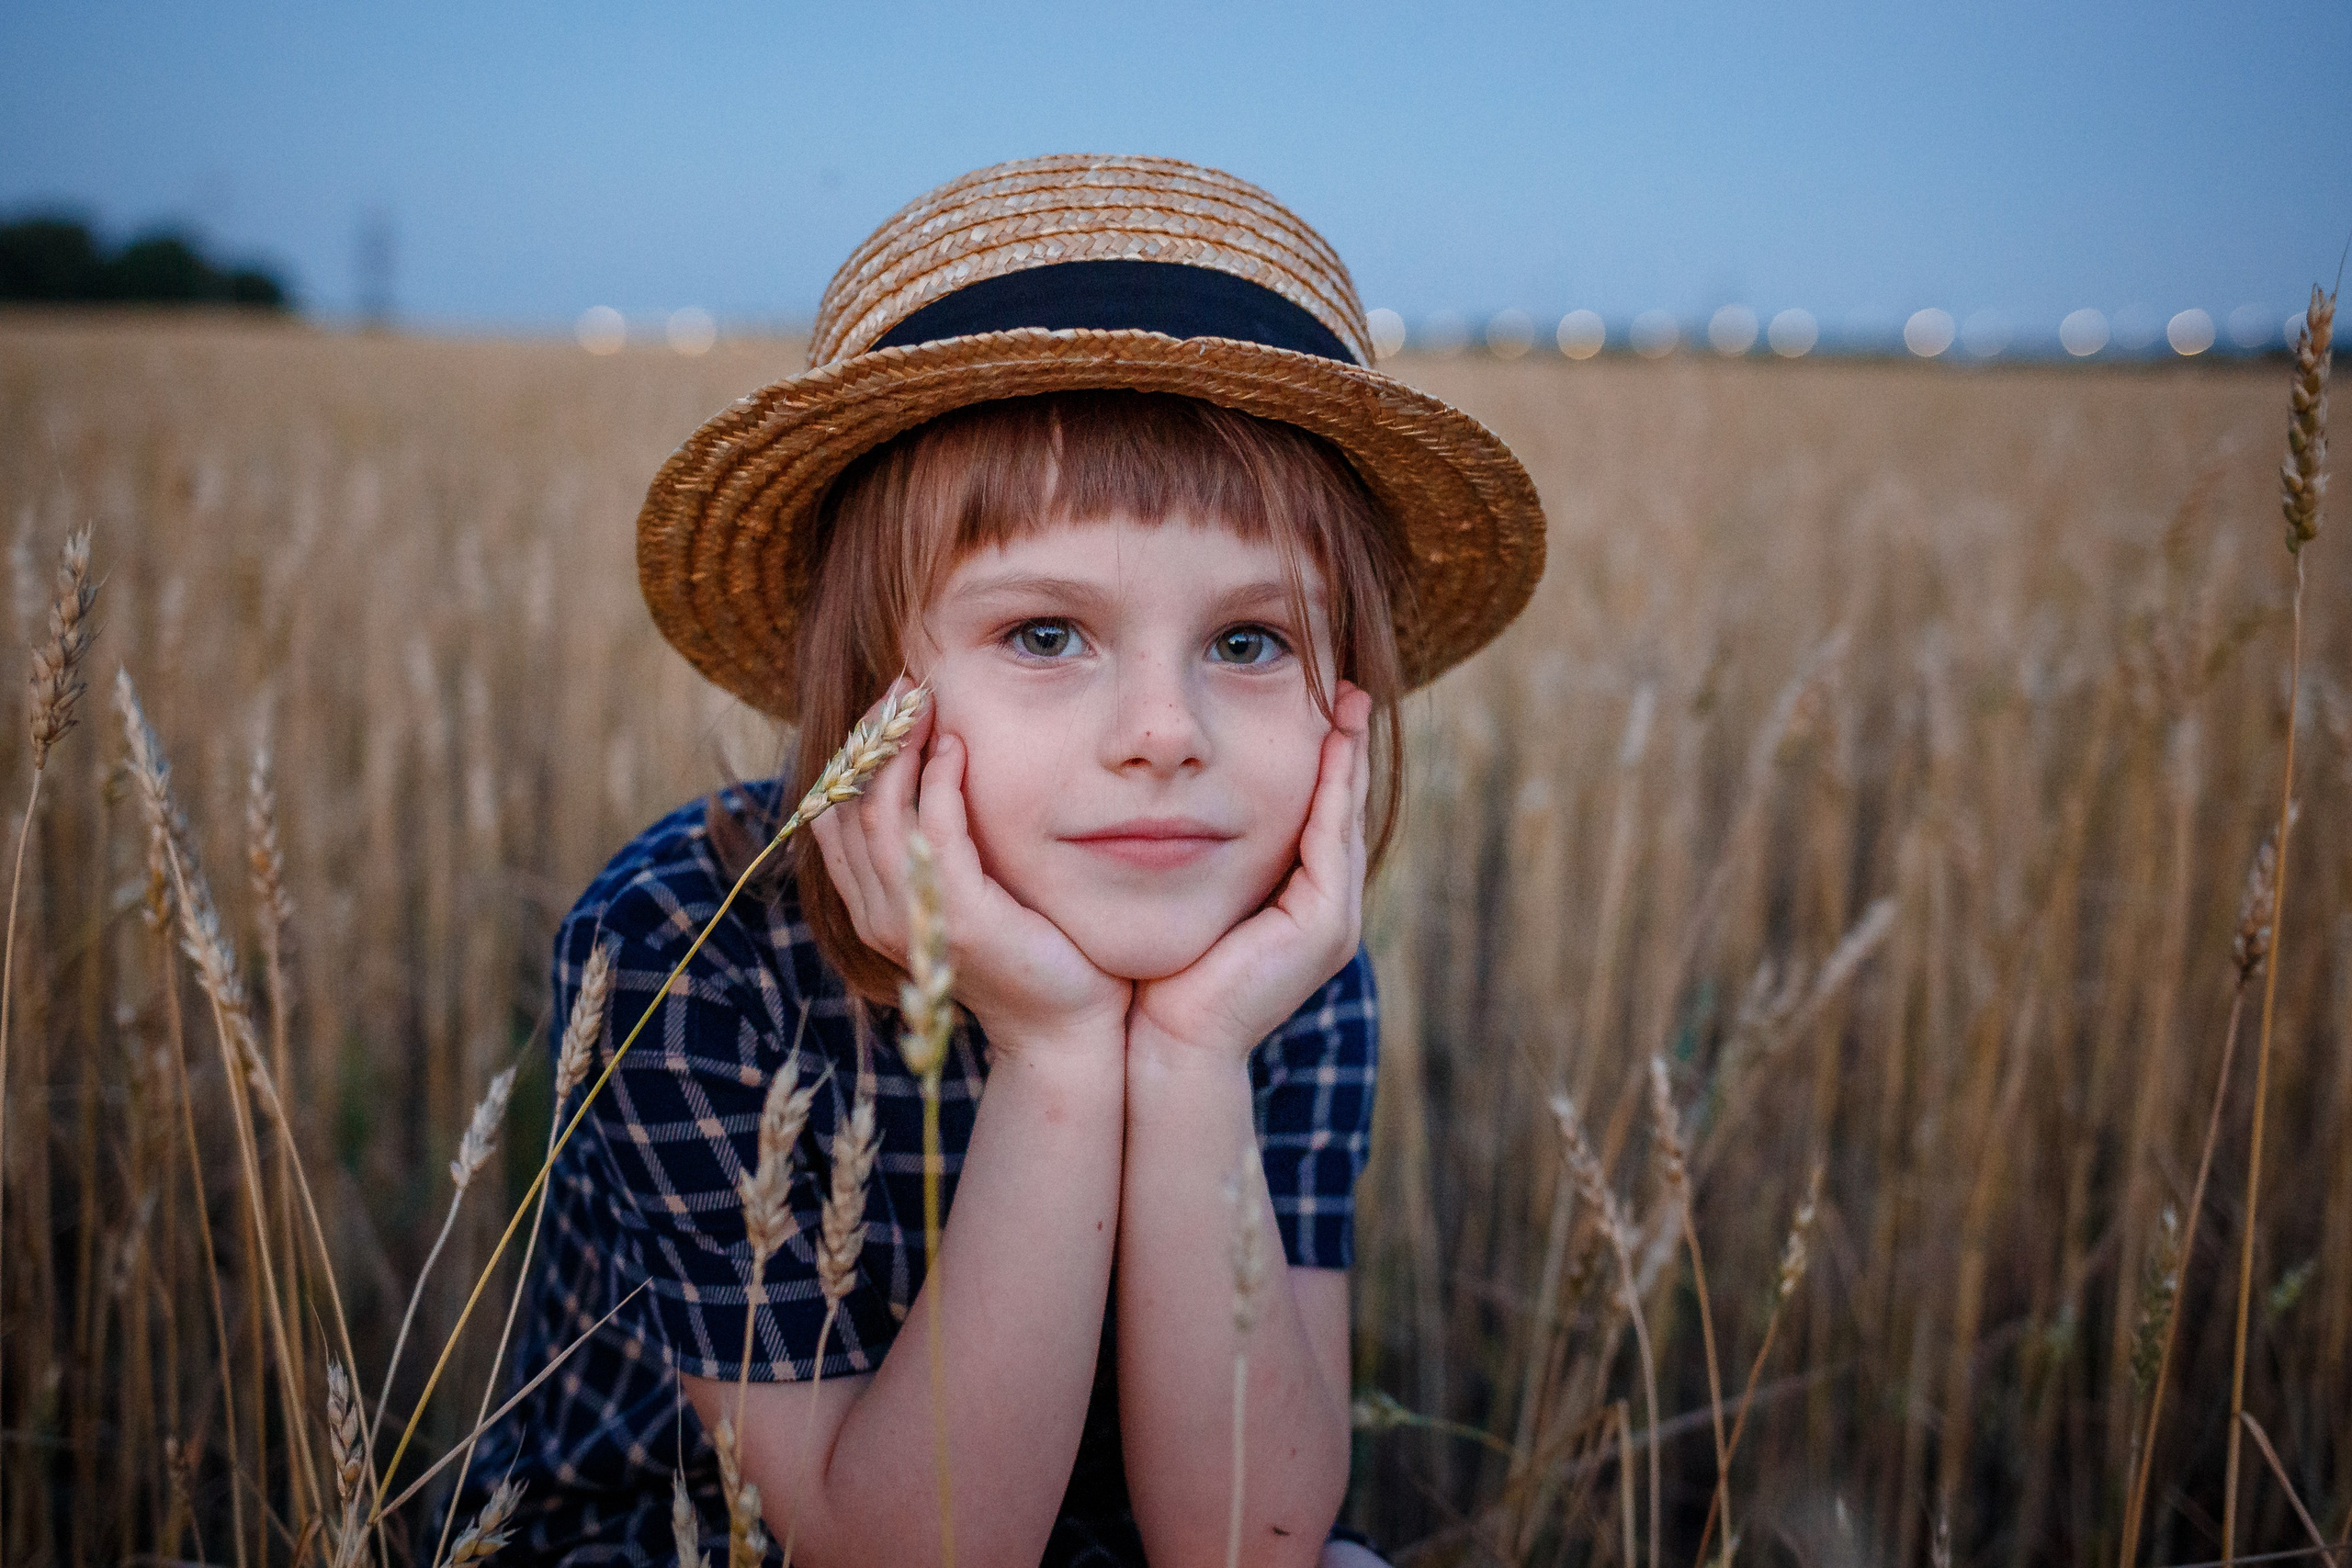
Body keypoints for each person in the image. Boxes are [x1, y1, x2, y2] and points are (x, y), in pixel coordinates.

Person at [454, 154, 1544, 1567]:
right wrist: (1062, 1054)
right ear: (868, 689)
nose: (1166, 733)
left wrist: (1196, 1054)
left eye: (1249, 641)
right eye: (1045, 634)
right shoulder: (683, 945)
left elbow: (1250, 1541)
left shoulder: (1283, 964)